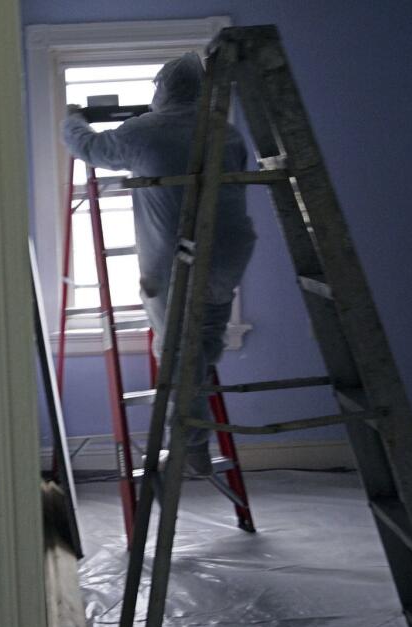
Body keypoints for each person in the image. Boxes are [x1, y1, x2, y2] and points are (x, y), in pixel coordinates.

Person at [61, 51, 257, 476]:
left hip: (175, 259)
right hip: (230, 251)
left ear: (162, 90)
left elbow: (90, 147)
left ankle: (191, 444)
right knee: (204, 341)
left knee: (179, 353)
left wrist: (72, 118)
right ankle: (196, 431)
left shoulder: (143, 132)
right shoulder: (227, 132)